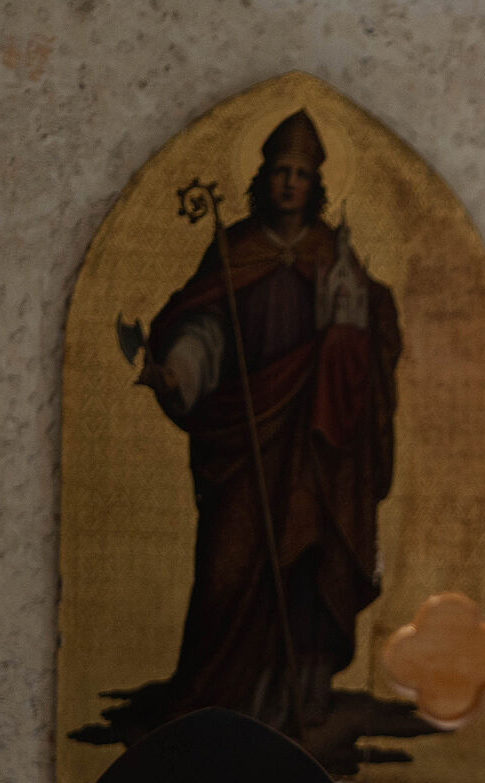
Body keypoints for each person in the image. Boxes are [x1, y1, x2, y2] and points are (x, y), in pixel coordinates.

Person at [99, 109, 403, 750]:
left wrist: (360, 316)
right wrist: (180, 370)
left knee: (306, 566)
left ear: (316, 184)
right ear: (263, 180)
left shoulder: (331, 254)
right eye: (280, 172)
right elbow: (201, 328)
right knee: (229, 571)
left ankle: (300, 695)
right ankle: (223, 695)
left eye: (301, 174)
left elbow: (374, 325)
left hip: (317, 449)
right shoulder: (236, 251)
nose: (290, 183)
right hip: (246, 445)